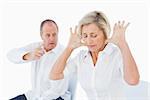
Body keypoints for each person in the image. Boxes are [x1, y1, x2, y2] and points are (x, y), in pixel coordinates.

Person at [50, 11, 140, 100]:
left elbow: (133, 81)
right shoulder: (81, 58)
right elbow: (55, 75)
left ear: (105, 34)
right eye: (85, 36)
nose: (89, 41)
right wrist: (69, 48)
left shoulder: (116, 55)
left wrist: (123, 44)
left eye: (93, 35)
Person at [7, 19, 76, 100]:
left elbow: (57, 90)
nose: (52, 38)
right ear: (41, 35)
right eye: (48, 35)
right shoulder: (37, 47)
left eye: (54, 34)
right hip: (34, 95)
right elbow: (10, 55)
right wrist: (28, 55)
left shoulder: (64, 54)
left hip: (57, 97)